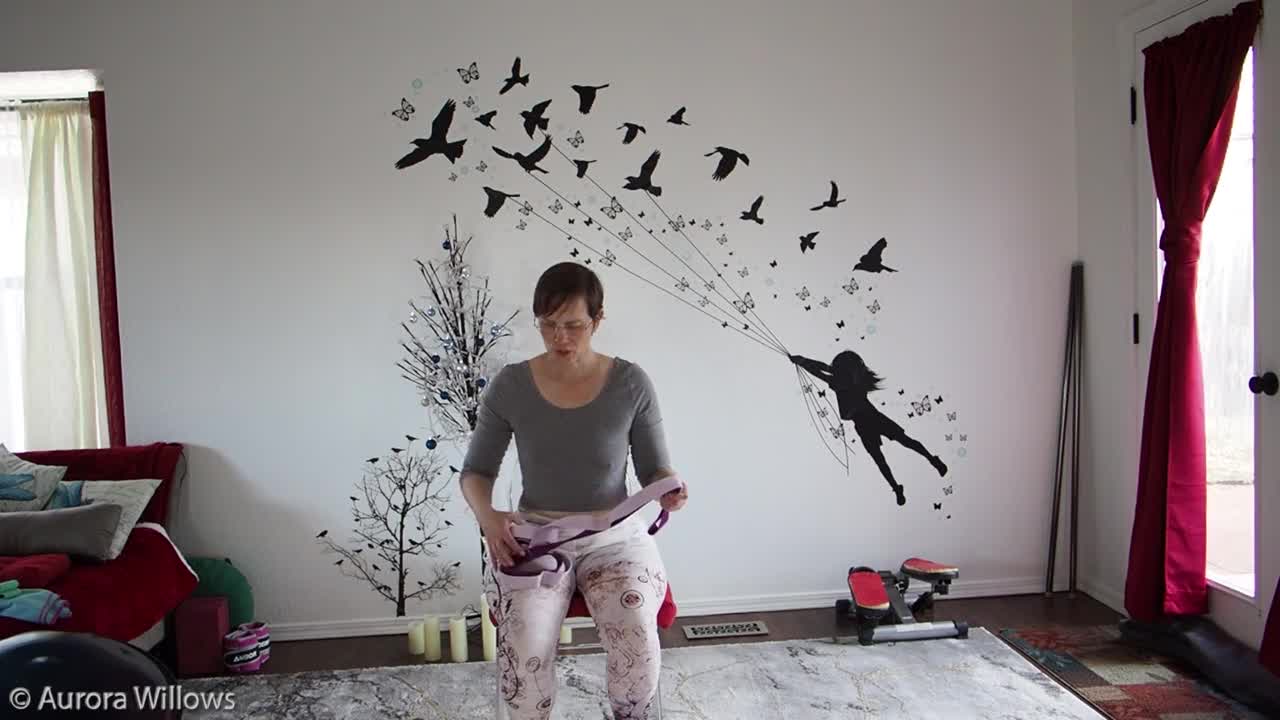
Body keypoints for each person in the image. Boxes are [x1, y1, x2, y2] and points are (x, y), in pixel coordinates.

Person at [460, 261, 688, 720]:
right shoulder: (511, 386)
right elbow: (476, 472)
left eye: (573, 325)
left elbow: (654, 467)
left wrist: (668, 488)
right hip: (538, 541)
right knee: (524, 651)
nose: (559, 337)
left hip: (615, 539)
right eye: (547, 325)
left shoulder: (630, 383)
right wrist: (489, 517)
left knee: (636, 635)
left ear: (597, 320)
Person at [790, 350, 946, 506]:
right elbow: (820, 370)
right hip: (863, 423)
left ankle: (931, 460)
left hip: (872, 417)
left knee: (902, 442)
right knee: (881, 457)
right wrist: (802, 361)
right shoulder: (841, 380)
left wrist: (802, 361)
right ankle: (898, 486)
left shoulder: (852, 380)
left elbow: (821, 369)